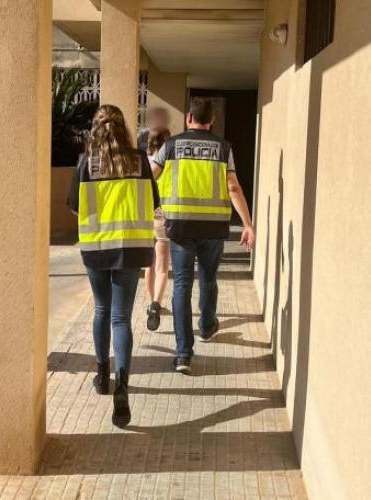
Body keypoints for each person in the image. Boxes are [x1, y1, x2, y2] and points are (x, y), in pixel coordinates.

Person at [68, 104, 159, 427]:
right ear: (123, 128)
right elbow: (154, 202)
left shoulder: (86, 163)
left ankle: (101, 374)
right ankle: (122, 383)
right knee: (121, 319)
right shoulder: (139, 161)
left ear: (95, 129)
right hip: (131, 249)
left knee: (102, 310)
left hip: (97, 248)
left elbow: (75, 207)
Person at [151, 97, 255, 374]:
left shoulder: (170, 146)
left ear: (189, 118)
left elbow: (150, 178)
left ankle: (183, 354)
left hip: (180, 227)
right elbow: (233, 188)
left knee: (182, 286)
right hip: (213, 227)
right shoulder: (223, 148)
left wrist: (153, 209)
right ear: (212, 120)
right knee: (208, 279)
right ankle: (207, 327)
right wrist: (248, 224)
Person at [142, 127, 171, 331]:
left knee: (148, 265)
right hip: (162, 214)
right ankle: (156, 304)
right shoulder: (168, 162)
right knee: (162, 266)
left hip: (145, 216)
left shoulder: (143, 161)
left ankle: (150, 300)